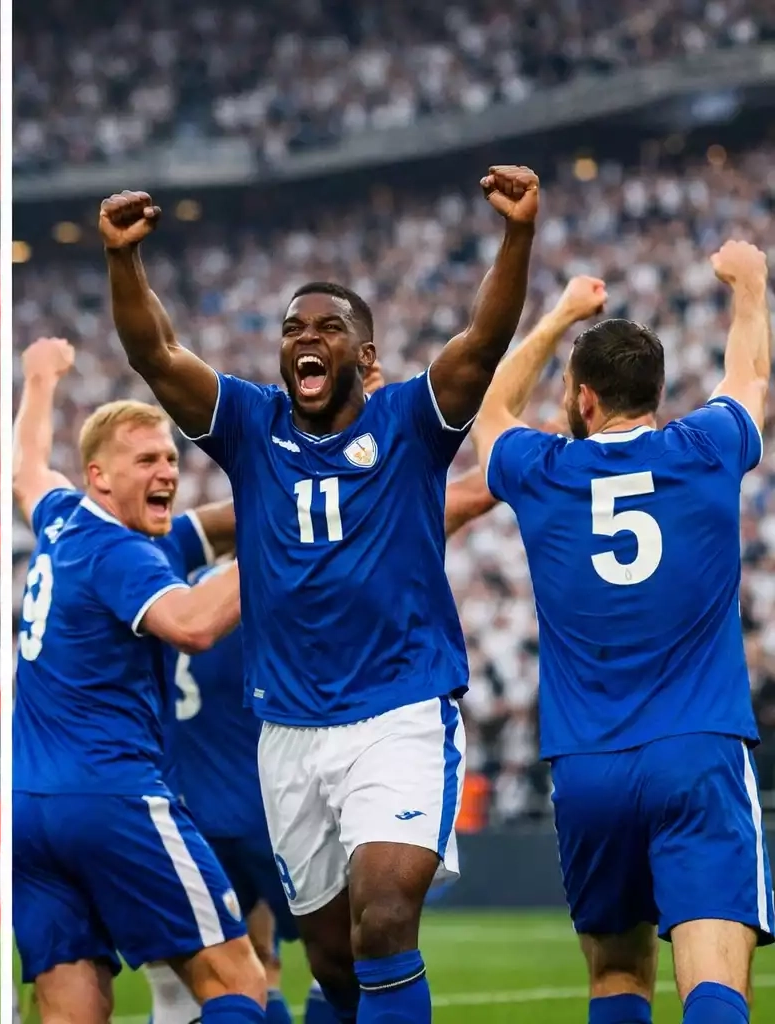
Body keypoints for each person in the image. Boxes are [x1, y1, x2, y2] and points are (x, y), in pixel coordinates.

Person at [101, 165, 540, 1023]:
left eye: (329, 327)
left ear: (364, 357)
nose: (307, 338)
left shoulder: (410, 421)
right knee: (335, 964)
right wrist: (125, 261)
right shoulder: (251, 427)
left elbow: (482, 342)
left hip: (399, 713)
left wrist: (517, 236)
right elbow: (154, 352)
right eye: (294, 328)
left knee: (385, 917)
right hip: (288, 731)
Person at [473, 240, 775, 1024]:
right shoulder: (705, 449)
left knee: (615, 978)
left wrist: (562, 314)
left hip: (588, 766)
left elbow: (494, 411)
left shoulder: (545, 472)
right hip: (696, 748)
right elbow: (750, 378)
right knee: (714, 980)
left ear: (580, 401)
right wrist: (750, 283)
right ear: (661, 393)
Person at [12, 337, 269, 1024]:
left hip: (29, 809)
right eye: (147, 460)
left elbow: (26, 470)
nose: (167, 472)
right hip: (112, 795)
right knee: (238, 981)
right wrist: (284, 538)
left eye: (171, 459)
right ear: (99, 476)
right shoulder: (120, 553)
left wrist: (39, 380)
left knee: (72, 1009)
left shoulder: (63, 522)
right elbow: (190, 623)